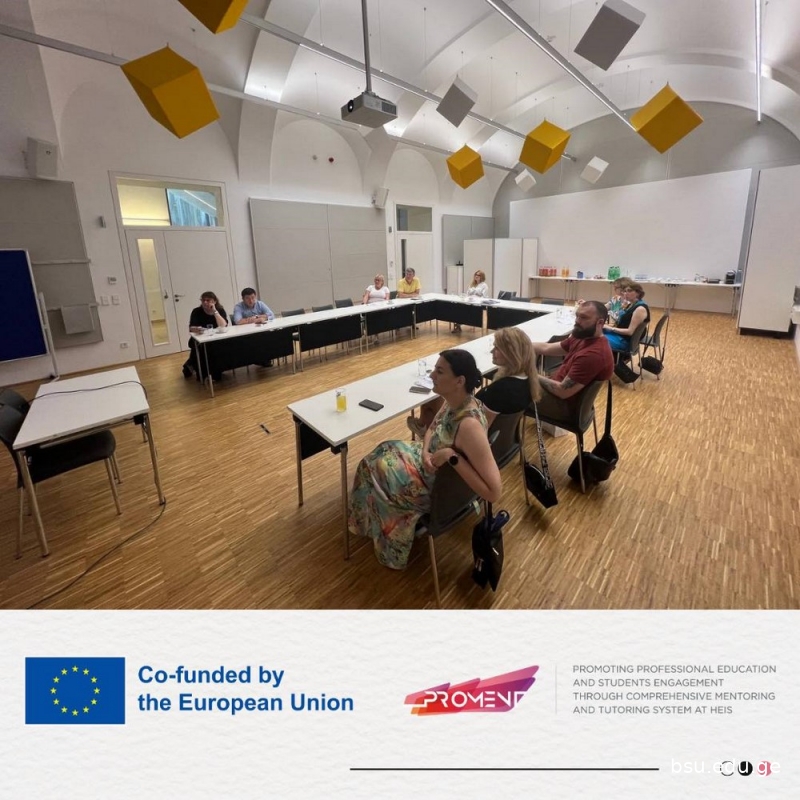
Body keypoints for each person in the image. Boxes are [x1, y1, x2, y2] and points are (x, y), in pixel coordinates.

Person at [348, 349, 502, 570]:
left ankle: (387, 543)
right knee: (381, 449)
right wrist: (425, 452)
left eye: (439, 371)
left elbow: (494, 492)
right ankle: (368, 522)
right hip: (429, 463)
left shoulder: (469, 426)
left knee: (371, 467)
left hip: (437, 487)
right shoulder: (454, 401)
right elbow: (431, 428)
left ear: (459, 381)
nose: (431, 375)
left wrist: (451, 456)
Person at [407, 327, 542, 436]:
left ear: (511, 353)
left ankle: (425, 428)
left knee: (440, 394)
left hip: (459, 442)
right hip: (500, 444)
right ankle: (425, 426)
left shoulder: (499, 391)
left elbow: (480, 432)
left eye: (497, 348)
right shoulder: (527, 381)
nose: (492, 351)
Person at [531, 300, 615, 424]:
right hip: (556, 391)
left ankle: (507, 432)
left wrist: (530, 374)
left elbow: (562, 391)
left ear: (600, 323)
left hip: (564, 407)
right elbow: (547, 348)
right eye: (577, 316)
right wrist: (520, 344)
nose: (577, 321)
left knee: (511, 385)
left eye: (583, 317)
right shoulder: (582, 336)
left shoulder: (594, 354)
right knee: (514, 381)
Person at [182, 291, 229, 381]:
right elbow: (191, 328)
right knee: (201, 348)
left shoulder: (220, 310)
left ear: (214, 301)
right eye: (203, 300)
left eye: (208, 300)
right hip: (200, 337)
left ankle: (215, 369)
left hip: (216, 338)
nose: (205, 302)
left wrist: (215, 311)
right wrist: (197, 329)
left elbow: (223, 325)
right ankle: (201, 371)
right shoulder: (196, 311)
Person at [603, 281, 650, 354]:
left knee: (595, 338)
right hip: (622, 337)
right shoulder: (631, 304)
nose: (625, 293)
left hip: (625, 342)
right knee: (596, 331)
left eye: (629, 291)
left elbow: (630, 332)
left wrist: (611, 328)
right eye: (625, 291)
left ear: (638, 293)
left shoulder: (640, 309)